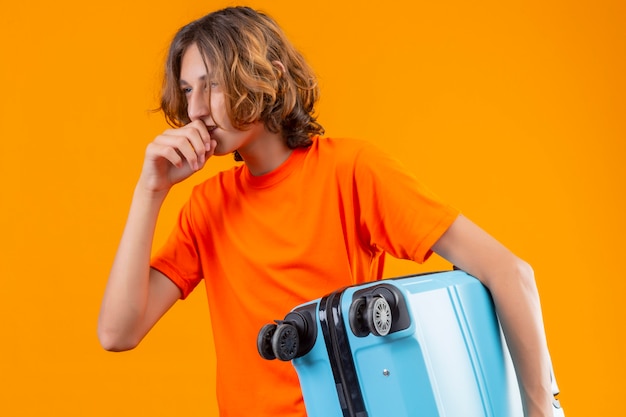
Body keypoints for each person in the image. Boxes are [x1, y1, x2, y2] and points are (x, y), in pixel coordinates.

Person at [97, 6, 554, 417]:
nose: (195, 109)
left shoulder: (351, 171)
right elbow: (118, 333)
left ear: (271, 77)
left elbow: (509, 273)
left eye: (212, 84)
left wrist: (539, 409)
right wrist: (149, 190)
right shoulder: (207, 205)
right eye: (186, 89)